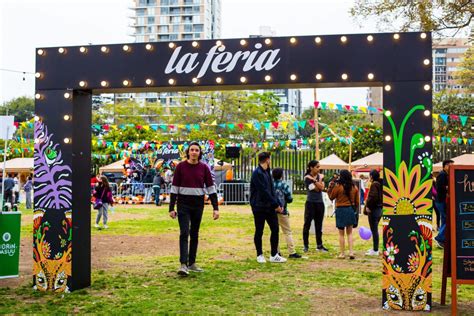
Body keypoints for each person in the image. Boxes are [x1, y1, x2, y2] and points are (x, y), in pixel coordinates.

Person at [169, 142, 219, 276]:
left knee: (195, 234)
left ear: (199, 153)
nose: (194, 152)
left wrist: (215, 208)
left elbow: (211, 188)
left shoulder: (204, 168)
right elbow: (174, 188)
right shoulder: (180, 167)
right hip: (183, 205)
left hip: (198, 205)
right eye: (192, 150)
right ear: (188, 152)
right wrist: (171, 207)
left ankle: (192, 263)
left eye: (197, 150)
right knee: (184, 232)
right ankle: (183, 264)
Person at [250, 152, 286, 264]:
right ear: (267, 160)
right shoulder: (257, 173)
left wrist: (278, 204)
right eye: (269, 159)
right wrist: (275, 204)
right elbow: (263, 191)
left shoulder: (267, 172)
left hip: (269, 206)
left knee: (275, 229)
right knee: (259, 230)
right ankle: (259, 254)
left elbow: (272, 190)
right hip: (259, 206)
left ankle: (274, 254)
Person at [328, 170, 359, 259]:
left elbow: (331, 197)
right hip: (350, 210)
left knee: (341, 234)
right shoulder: (354, 187)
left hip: (341, 210)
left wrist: (330, 188)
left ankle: (342, 254)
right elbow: (357, 202)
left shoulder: (338, 187)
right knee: (349, 233)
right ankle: (351, 252)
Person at [272, 168, 302, 259]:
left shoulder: (270, 185)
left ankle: (276, 251)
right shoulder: (284, 185)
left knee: (274, 232)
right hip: (283, 211)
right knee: (287, 232)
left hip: (272, 211)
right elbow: (289, 198)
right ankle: (292, 252)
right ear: (282, 175)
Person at [302, 160, 329, 252]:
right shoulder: (307, 178)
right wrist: (318, 181)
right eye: (317, 167)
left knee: (319, 225)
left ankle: (319, 245)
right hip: (310, 203)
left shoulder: (319, 176)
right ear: (311, 167)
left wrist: (315, 181)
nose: (319, 169)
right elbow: (315, 189)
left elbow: (322, 188)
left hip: (320, 203)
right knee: (307, 224)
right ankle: (306, 245)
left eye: (319, 167)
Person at [434, 159, 454, 248]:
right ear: (445, 166)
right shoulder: (442, 174)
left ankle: (442, 240)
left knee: (444, 220)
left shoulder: (446, 174)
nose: (452, 167)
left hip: (441, 201)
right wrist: (447, 187)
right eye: (451, 165)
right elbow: (439, 187)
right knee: (446, 219)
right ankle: (439, 238)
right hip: (441, 201)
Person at [363, 170, 383, 256]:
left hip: (374, 209)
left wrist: (368, 206)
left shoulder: (374, 184)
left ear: (371, 176)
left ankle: (375, 250)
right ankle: (375, 248)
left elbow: (372, 197)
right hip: (379, 209)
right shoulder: (380, 184)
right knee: (374, 229)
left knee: (374, 230)